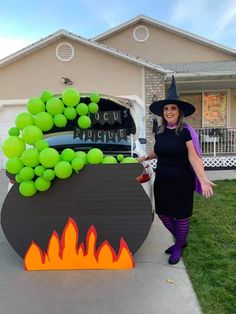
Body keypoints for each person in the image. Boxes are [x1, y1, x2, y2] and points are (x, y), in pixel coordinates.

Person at [137, 75, 215, 265]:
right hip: (162, 180)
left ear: (179, 111)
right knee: (163, 214)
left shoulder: (185, 132)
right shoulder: (160, 131)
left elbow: (194, 156)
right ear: (162, 112)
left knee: (181, 216)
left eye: (173, 108)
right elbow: (158, 151)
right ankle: (181, 239)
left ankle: (179, 246)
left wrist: (203, 178)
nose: (169, 111)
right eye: (166, 108)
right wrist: (144, 157)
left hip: (181, 181)